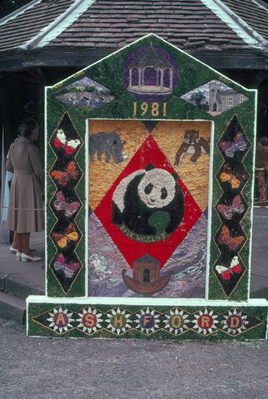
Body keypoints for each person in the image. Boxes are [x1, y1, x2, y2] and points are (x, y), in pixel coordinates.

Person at [6, 118, 44, 262]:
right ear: (31, 132)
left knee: (18, 214)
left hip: (16, 181)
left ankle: (18, 247)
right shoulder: (31, 148)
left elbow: (8, 166)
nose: (37, 133)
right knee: (27, 216)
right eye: (36, 131)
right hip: (28, 182)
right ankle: (25, 250)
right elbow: (39, 171)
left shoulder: (13, 146)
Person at [255, 136, 268, 206]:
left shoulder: (259, 149)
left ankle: (262, 202)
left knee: (261, 186)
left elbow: (257, 144)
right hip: (266, 169)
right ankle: (265, 201)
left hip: (260, 170)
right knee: (266, 187)